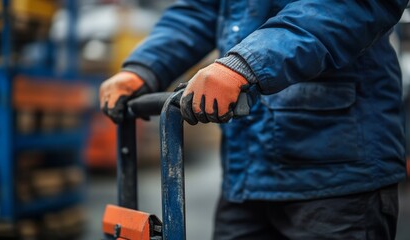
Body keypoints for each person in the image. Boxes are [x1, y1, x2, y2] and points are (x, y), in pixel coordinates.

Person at [99, 1, 409, 239]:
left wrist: (247, 62)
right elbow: (200, 10)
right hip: (246, 172)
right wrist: (143, 67)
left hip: (338, 174)